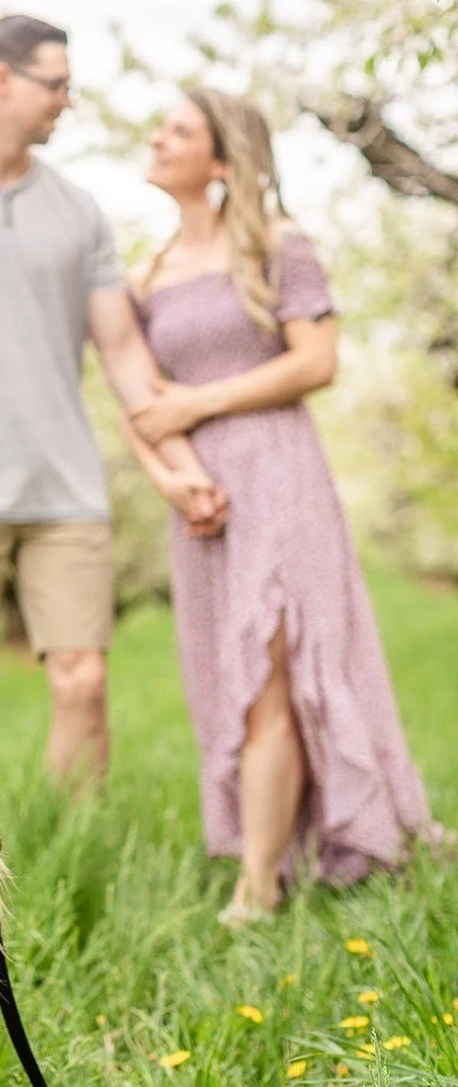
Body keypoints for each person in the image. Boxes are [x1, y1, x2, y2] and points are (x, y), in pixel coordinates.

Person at [0, 14, 227, 782]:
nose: (66, 101)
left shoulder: (80, 211)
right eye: (55, 85)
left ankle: (72, 845)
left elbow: (122, 348)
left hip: (65, 491)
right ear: (1, 80)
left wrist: (177, 456)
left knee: (83, 680)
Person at [126, 88, 439, 925]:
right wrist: (174, 479)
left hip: (279, 476)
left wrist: (200, 405)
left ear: (222, 160)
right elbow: (140, 407)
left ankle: (257, 886)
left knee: (274, 664)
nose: (159, 138)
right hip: (202, 498)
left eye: (180, 130)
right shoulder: (143, 277)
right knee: (235, 674)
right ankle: (287, 850)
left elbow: (317, 362)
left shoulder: (278, 246)